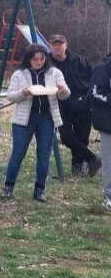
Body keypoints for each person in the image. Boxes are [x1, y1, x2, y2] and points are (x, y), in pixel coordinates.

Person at [3, 44, 70, 203]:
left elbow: (66, 94)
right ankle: (8, 187)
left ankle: (40, 190)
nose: (39, 62)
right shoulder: (19, 74)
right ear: (29, 59)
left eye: (41, 59)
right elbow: (10, 96)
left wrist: (62, 90)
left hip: (46, 117)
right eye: (35, 59)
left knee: (44, 155)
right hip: (24, 119)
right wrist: (23, 92)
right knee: (18, 153)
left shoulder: (55, 73)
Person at [49, 35, 99, 177]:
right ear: (50, 45)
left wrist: (89, 96)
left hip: (82, 103)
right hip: (60, 104)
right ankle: (92, 158)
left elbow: (92, 77)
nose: (57, 47)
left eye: (60, 44)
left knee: (82, 136)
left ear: (66, 45)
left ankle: (77, 166)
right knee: (65, 136)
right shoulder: (47, 63)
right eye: (54, 44)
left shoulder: (80, 60)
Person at [89, 53, 111, 210]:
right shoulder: (102, 69)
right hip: (107, 123)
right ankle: (109, 194)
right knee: (109, 159)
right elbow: (94, 93)